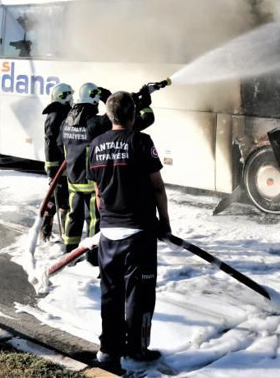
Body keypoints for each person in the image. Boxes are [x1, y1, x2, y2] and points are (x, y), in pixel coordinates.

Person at [88, 91, 170, 373]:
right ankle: (136, 348)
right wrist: (165, 222)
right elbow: (157, 186)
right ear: (133, 115)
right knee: (139, 294)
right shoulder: (141, 141)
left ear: (110, 116)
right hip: (139, 234)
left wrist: (107, 220)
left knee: (110, 294)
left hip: (109, 234)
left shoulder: (96, 145)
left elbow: (98, 194)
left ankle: (108, 350)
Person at [60, 82, 112, 253]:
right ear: (94, 101)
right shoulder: (95, 123)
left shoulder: (65, 123)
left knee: (73, 217)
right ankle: (92, 255)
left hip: (73, 180)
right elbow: (113, 116)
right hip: (91, 182)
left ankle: (69, 252)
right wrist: (108, 97)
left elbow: (60, 144)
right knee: (93, 220)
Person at [40, 82, 73, 241]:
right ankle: (65, 235)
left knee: (54, 199)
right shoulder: (55, 115)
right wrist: (52, 170)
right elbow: (50, 144)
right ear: (63, 97)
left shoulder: (62, 112)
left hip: (62, 166)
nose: (72, 98)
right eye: (69, 95)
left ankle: (46, 231)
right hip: (59, 167)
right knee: (62, 201)